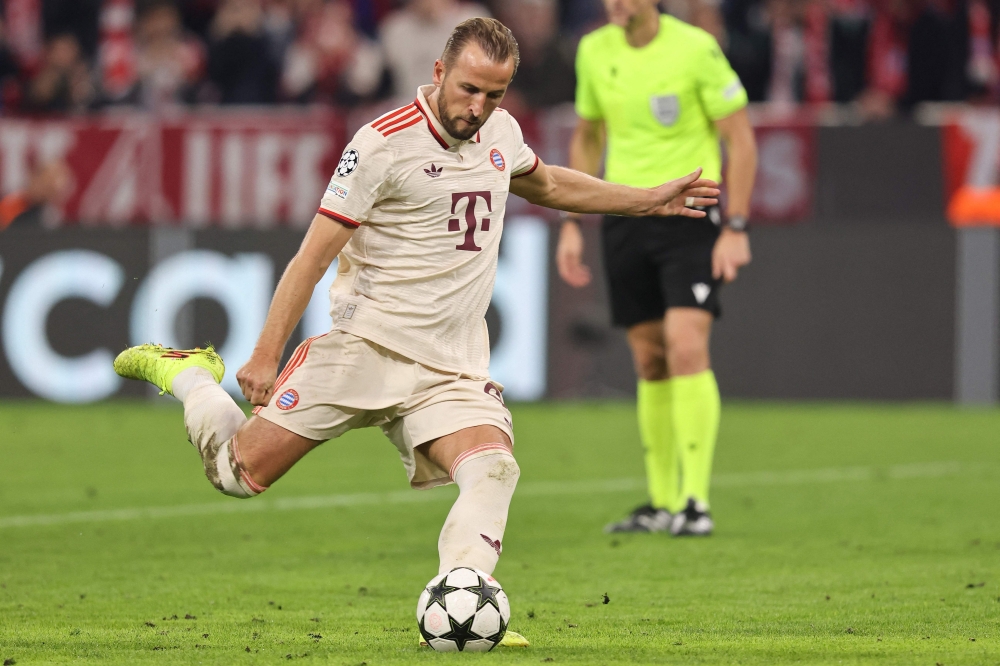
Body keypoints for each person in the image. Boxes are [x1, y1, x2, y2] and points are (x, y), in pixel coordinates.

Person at [112, 17, 718, 643]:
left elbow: (551, 183)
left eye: (494, 95)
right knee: (235, 476)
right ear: (438, 73)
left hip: (450, 367)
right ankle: (186, 371)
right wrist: (265, 353)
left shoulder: (500, 133)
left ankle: (466, 600)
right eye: (468, 90)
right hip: (363, 348)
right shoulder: (380, 145)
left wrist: (647, 199)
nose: (478, 108)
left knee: (494, 469)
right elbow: (311, 258)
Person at [556, 0, 757, 536]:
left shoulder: (695, 49)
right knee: (648, 358)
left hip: (690, 212)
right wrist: (574, 219)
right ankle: (661, 501)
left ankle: (696, 501)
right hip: (625, 214)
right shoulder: (595, 50)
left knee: (686, 344)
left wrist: (735, 226)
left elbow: (740, 138)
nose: (616, 5)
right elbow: (589, 134)